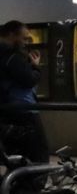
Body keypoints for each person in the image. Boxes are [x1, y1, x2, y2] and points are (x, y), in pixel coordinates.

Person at [0, 21, 49, 163]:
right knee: (39, 153)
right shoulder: (12, 57)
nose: (25, 42)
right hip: (23, 110)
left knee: (18, 154)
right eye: (23, 38)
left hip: (7, 111)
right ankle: (35, 177)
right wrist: (36, 67)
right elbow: (28, 80)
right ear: (11, 35)